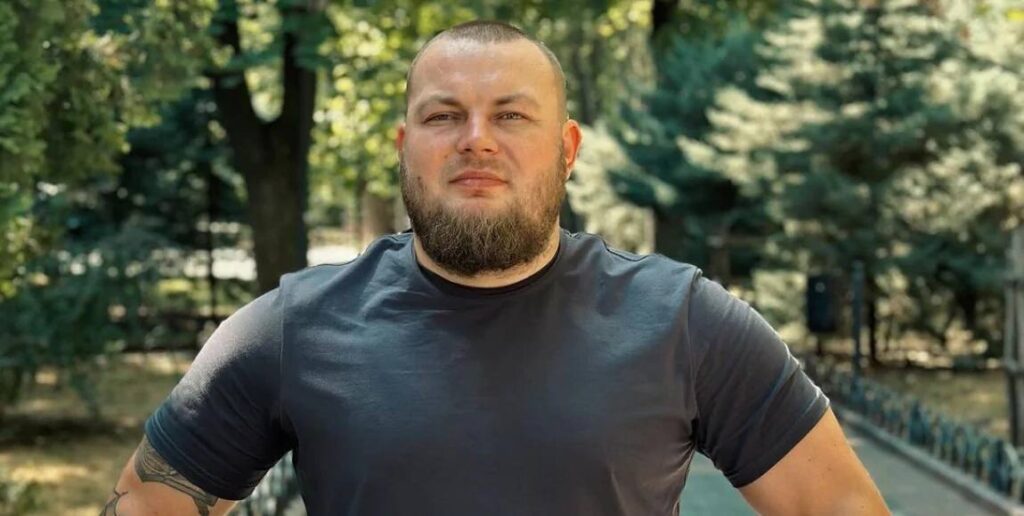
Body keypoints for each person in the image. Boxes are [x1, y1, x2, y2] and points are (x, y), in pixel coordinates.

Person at [103, 20, 889, 516]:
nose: (476, 138)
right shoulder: (291, 327)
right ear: (405, 147)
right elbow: (147, 503)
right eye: (443, 115)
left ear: (567, 149)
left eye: (511, 115)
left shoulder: (683, 320)